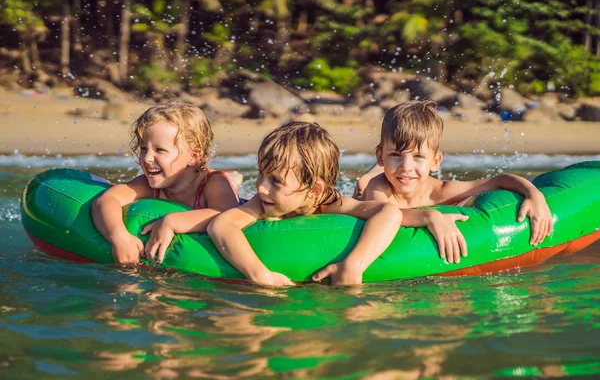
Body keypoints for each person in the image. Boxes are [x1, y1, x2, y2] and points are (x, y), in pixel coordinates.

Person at [207, 121, 468, 286]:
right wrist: (259, 274)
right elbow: (221, 225)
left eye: (275, 181)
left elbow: (387, 212)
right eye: (261, 174)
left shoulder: (330, 202)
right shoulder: (263, 201)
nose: (261, 186)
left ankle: (367, 180)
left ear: (315, 190)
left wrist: (355, 264)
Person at [355, 100, 553, 264]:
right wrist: (429, 216)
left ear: (435, 161)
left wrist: (533, 194)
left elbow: (499, 181)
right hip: (374, 188)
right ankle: (373, 171)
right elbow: (384, 214)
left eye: (418, 157)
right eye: (396, 155)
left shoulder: (442, 192)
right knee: (364, 184)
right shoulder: (378, 187)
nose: (406, 166)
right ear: (380, 156)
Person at [92, 100, 241, 264]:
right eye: (143, 149)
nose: (147, 158)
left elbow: (229, 216)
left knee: (228, 185)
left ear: (193, 156)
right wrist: (119, 237)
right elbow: (106, 200)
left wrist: (171, 222)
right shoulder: (148, 184)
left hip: (215, 190)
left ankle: (234, 179)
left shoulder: (213, 183)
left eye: (160, 150)